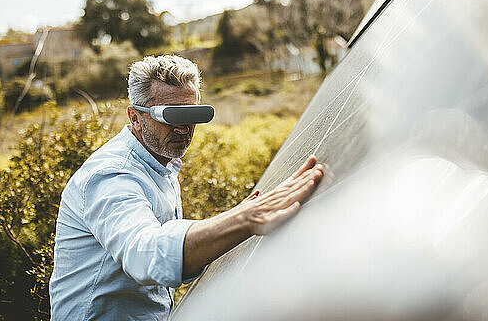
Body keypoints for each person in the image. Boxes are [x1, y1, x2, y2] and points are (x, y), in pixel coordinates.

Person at [49, 55, 324, 320]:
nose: (184, 128)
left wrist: (234, 218)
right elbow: (146, 254)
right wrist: (245, 219)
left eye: (193, 114)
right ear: (135, 117)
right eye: (170, 116)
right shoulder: (111, 176)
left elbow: (173, 267)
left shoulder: (161, 163)